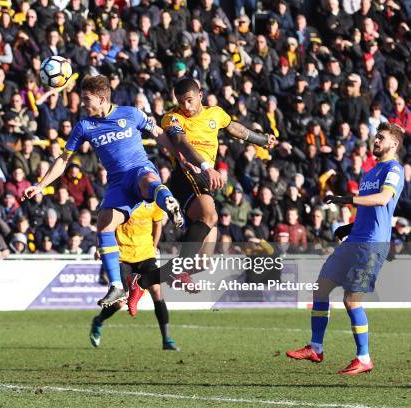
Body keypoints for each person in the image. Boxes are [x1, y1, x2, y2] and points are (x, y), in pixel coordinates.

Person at [22, 75, 183, 308]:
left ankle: (169, 201)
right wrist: (40, 185)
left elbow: (158, 133)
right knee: (104, 226)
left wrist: (178, 157)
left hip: (138, 169)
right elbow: (63, 159)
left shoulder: (131, 113)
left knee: (148, 179)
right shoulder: (85, 126)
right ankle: (116, 286)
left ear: (101, 98)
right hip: (117, 183)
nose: (82, 104)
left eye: (87, 99)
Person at [127, 78, 276, 310]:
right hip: (186, 175)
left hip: (204, 180)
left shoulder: (215, 114)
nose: (185, 106)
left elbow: (235, 128)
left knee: (203, 260)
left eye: (189, 100)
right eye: (180, 101)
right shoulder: (173, 118)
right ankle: (181, 271)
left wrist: (261, 139)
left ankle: (142, 282)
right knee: (209, 215)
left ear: (200, 95)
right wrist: (207, 166)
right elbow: (181, 142)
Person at [286, 123, 405, 375]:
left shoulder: (394, 169)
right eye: (375, 136)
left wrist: (347, 199)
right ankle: (316, 347)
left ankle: (364, 358)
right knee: (321, 288)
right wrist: (348, 227)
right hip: (354, 240)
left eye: (381, 138)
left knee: (351, 301)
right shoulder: (370, 172)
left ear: (393, 144)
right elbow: (370, 211)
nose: (375, 141)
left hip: (371, 245)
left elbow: (383, 199)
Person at [89, 201, 178, 350]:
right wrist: (100, 247)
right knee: (120, 302)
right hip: (122, 257)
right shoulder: (120, 200)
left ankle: (167, 339)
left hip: (145, 255)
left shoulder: (153, 201)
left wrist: (154, 246)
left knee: (157, 291)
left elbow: (157, 224)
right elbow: (105, 225)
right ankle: (99, 320)